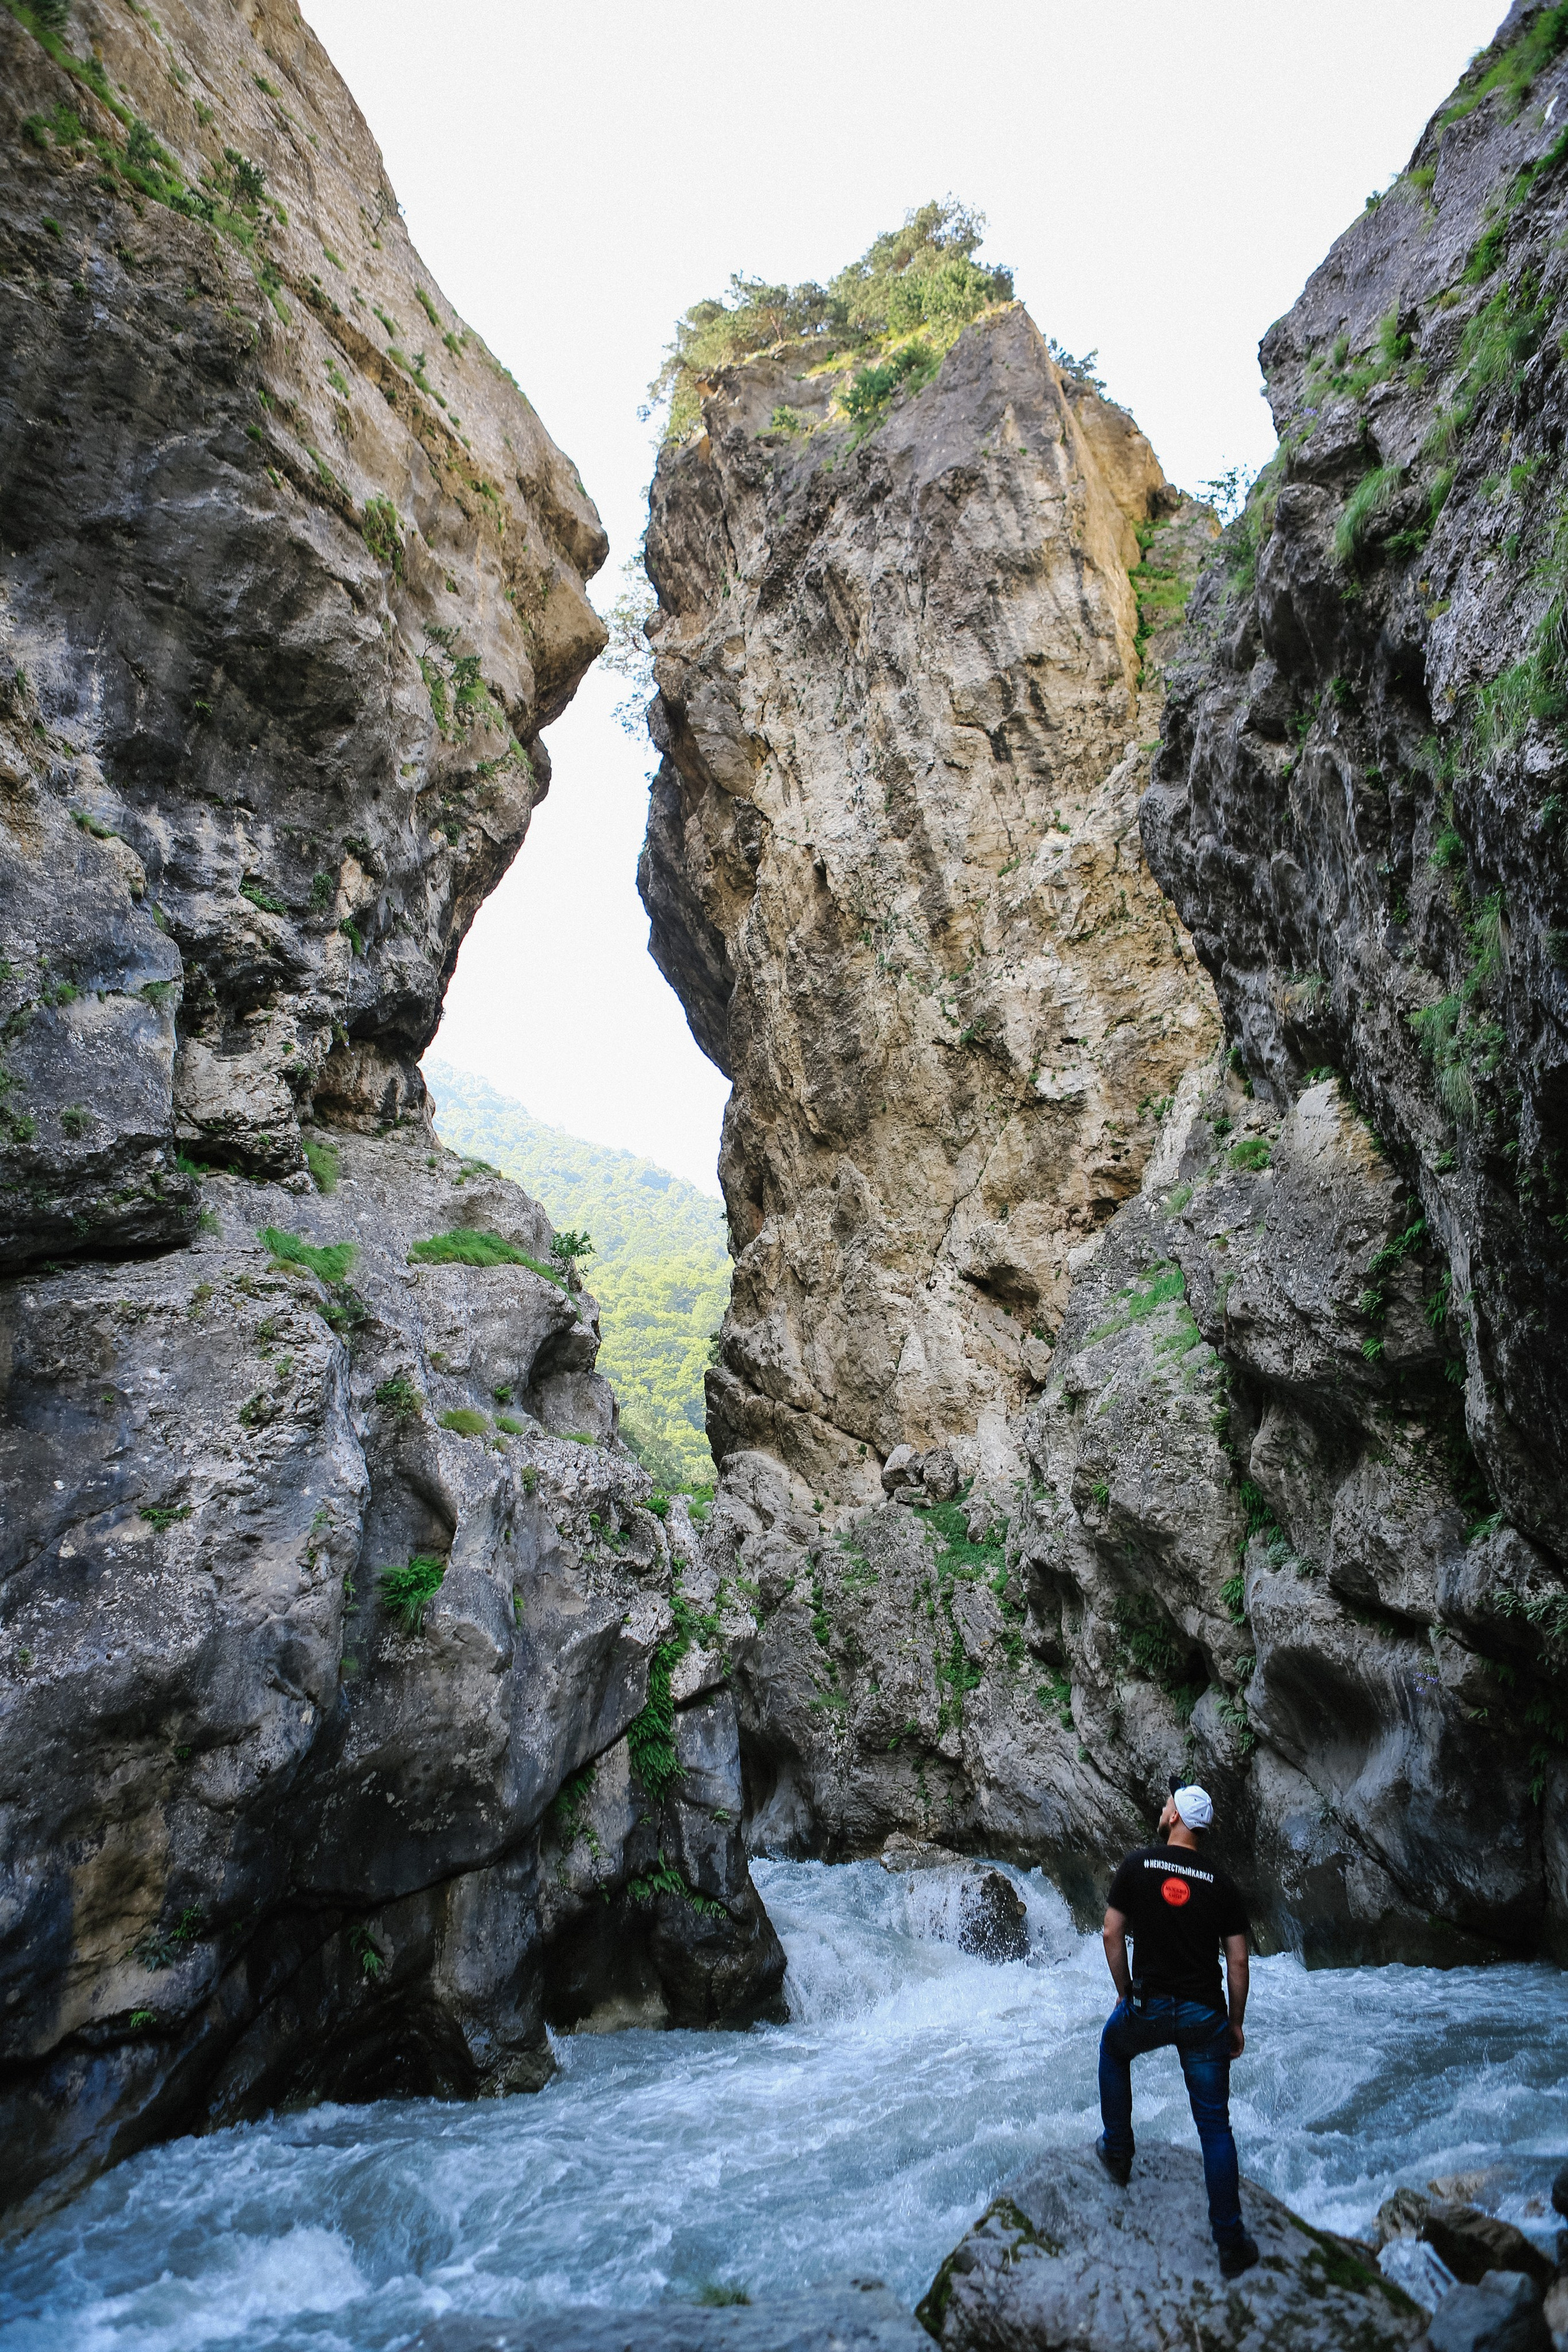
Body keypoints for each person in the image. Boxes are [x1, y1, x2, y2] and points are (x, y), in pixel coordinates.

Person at [1095, 1781, 1259, 2278]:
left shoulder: (1138, 1865)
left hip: (1148, 2004)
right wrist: (1234, 2023)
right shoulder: (1222, 1883)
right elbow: (1238, 1960)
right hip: (1203, 2014)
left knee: (1113, 2049)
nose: (1163, 1807)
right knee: (1215, 2128)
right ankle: (1230, 2243)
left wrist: (1126, 1993)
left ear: (1177, 1818)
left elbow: (1110, 1932)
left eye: (1169, 1803)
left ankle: (1119, 2151)